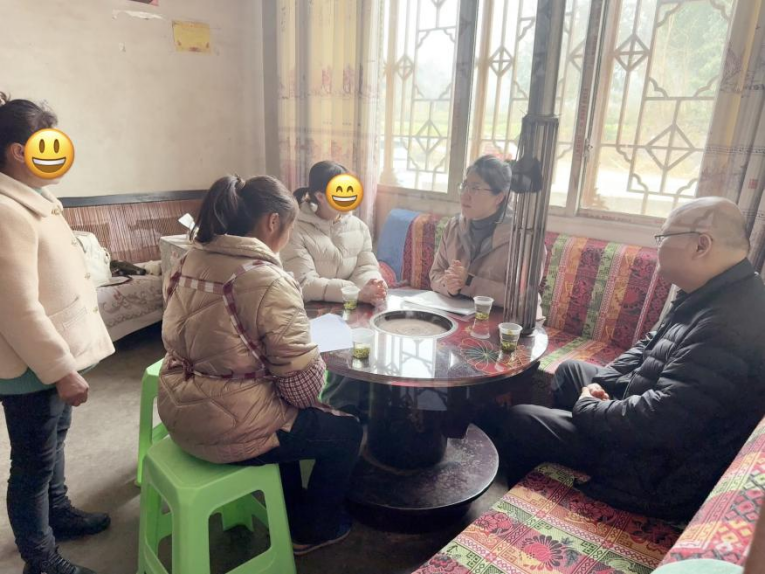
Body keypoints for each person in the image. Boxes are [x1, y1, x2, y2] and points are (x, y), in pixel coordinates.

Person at [502, 197, 765, 520]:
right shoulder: (714, 291)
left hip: (657, 471)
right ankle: (572, 442)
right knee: (571, 371)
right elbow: (648, 346)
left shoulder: (729, 324)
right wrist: (603, 386)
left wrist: (589, 408)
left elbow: (662, 423)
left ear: (701, 245)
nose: (658, 246)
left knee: (519, 421)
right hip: (651, 426)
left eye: (664, 237)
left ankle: (529, 507)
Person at [158, 174, 362, 555]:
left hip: (177, 410)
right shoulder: (266, 279)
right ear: (272, 222)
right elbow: (302, 391)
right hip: (226, 428)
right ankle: (313, 530)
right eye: (289, 228)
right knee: (345, 430)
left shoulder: (189, 259)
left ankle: (288, 510)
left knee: (281, 414)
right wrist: (313, 357)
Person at [0, 93, 115, 574]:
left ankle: (59, 512)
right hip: (29, 365)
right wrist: (62, 369)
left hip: (48, 358)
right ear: (18, 152)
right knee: (33, 462)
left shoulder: (37, 201)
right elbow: (16, 308)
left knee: (54, 441)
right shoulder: (6, 211)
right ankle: (41, 559)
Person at [429, 154, 544, 321]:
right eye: (464, 186)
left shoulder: (524, 238)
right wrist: (449, 285)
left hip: (510, 325)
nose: (465, 195)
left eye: (475, 188)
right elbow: (435, 273)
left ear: (499, 197)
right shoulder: (454, 226)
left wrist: (469, 282)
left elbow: (524, 298)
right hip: (464, 319)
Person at [282, 160, 387, 304]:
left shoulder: (359, 227)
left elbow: (366, 267)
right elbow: (304, 282)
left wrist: (374, 284)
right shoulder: (294, 230)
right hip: (313, 309)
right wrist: (355, 293)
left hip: (353, 303)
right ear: (320, 197)